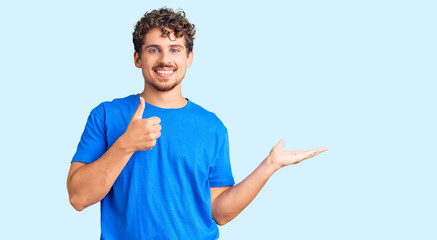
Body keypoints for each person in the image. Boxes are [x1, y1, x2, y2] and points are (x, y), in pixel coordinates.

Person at [67, 7, 328, 240]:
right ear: (137, 58)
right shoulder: (106, 115)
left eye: (175, 50)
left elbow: (220, 212)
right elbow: (78, 198)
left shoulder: (212, 127)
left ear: (189, 58)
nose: (165, 60)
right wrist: (125, 145)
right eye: (153, 49)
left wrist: (269, 166)